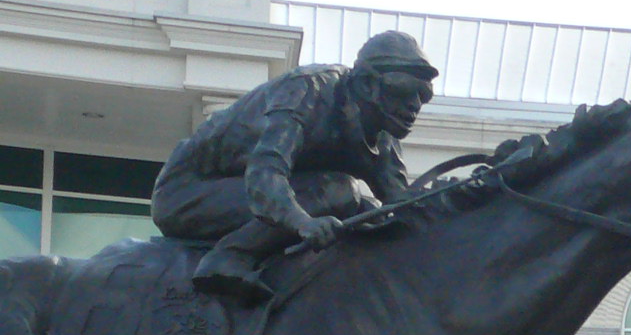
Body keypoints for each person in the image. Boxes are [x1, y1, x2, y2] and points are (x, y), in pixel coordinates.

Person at [152, 30, 440, 303]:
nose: (415, 105)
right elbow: (264, 171)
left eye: (423, 95)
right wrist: (301, 222)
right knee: (340, 190)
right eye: (404, 91)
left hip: (257, 198)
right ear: (367, 83)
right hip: (187, 194)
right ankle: (228, 257)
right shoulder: (307, 90)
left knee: (369, 212)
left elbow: (401, 206)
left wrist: (454, 199)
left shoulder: (384, 134)